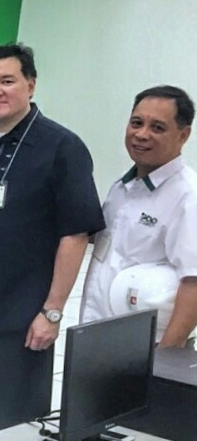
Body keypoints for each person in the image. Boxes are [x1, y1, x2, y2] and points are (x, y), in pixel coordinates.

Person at [0, 44, 105, 440]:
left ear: (30, 84)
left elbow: (75, 233)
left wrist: (53, 312)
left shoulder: (62, 147)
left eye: (6, 81)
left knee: (12, 425)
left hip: (21, 319)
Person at [80, 85, 197, 348]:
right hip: (98, 332)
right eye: (136, 123)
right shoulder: (122, 187)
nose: (141, 134)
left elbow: (194, 282)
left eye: (157, 128)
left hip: (148, 345)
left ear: (183, 135)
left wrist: (166, 359)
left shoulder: (188, 197)